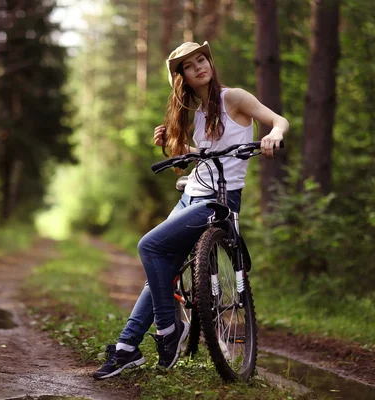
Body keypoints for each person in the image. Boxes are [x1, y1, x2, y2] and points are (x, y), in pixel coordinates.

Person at [92, 41, 288, 380]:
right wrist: (175, 145)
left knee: (149, 246)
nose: (199, 66)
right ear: (182, 76)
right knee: (159, 267)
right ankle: (127, 348)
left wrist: (273, 135)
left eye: (202, 59)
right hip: (191, 196)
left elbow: (278, 119)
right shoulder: (197, 114)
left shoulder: (234, 98)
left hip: (219, 201)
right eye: (190, 65)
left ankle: (169, 331)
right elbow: (201, 159)